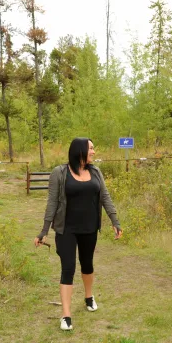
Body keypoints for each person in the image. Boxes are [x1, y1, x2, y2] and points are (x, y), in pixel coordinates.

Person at [34, 137, 122, 331]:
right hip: (66, 229)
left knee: (87, 264)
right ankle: (66, 315)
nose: (94, 152)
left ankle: (89, 296)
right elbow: (52, 203)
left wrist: (115, 221)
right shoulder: (60, 173)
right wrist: (44, 230)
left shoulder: (95, 171)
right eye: (91, 148)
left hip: (89, 228)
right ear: (80, 150)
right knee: (68, 267)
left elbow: (105, 197)